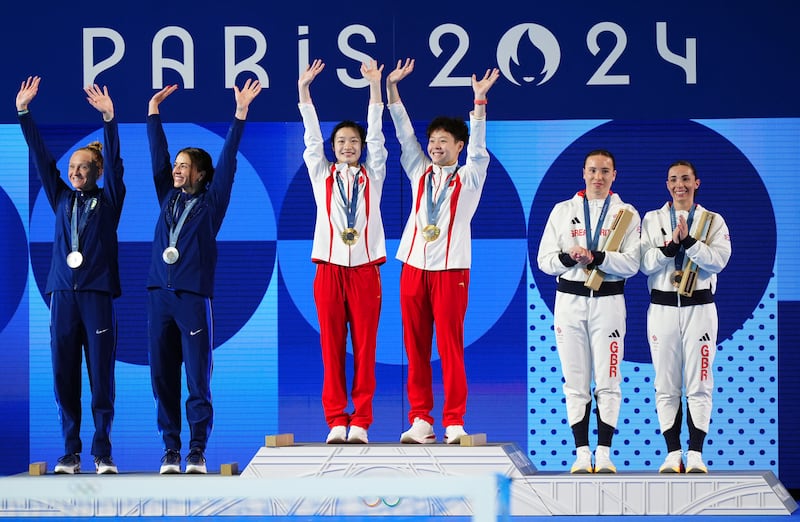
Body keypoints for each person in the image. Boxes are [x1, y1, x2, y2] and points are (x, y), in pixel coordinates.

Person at [146, 79, 261, 474]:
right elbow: (156, 157)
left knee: (197, 379)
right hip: (159, 297)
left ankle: (196, 450)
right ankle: (170, 451)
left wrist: (240, 114)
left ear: (199, 173)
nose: (176, 169)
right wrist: (153, 113)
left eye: (184, 166)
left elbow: (227, 161)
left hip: (193, 298)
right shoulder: (168, 197)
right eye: (175, 165)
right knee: (162, 378)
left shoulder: (212, 204)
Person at [386, 58, 499, 445]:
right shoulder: (418, 171)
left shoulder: (469, 177)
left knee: (450, 347)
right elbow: (403, 135)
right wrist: (392, 90)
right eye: (432, 141)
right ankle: (420, 419)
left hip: (452, 271)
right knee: (415, 349)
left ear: (459, 146)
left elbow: (481, 149)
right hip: (413, 268)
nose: (435, 147)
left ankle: (454, 420)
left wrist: (479, 103)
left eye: (443, 142)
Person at [16, 76, 125, 474]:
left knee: (100, 377)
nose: (75, 171)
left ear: (96, 171)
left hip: (96, 294)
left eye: (83, 167)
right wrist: (24, 113)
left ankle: (102, 451)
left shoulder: (110, 200)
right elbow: (42, 157)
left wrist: (109, 121)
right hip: (62, 293)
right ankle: (70, 451)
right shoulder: (60, 197)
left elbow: (115, 167)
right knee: (64, 375)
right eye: (73, 167)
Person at [298, 59, 388, 444]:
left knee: (365, 350)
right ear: (332, 149)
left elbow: (380, 135)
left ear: (362, 147)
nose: (348, 146)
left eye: (354, 141)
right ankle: (336, 419)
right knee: (331, 348)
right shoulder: (322, 174)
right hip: (330, 269)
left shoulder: (375, 173)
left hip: (366, 270)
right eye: (342, 142)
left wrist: (374, 86)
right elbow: (310, 137)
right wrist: (304, 91)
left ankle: (362, 421)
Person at [536, 149, 640, 473]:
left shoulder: (626, 214)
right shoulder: (562, 211)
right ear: (583, 172)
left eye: (605, 171)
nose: (598, 177)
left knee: (608, 379)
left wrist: (597, 257)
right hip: (569, 303)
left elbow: (632, 264)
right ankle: (582, 453)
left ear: (614, 175)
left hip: (609, 303)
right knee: (575, 382)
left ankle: (605, 453)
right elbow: (544, 260)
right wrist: (569, 258)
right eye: (593, 170)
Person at [640, 160, 731, 473]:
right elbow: (644, 263)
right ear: (667, 185)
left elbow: (719, 260)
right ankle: (672, 452)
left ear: (697, 183)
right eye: (673, 180)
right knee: (665, 382)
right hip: (662, 308)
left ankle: (695, 453)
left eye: (686, 179)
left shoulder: (712, 220)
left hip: (700, 309)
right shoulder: (652, 219)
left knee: (700, 380)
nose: (680, 185)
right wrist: (670, 246)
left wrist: (689, 241)